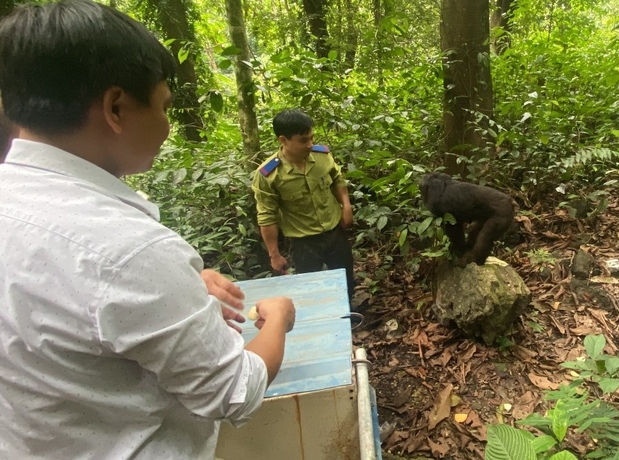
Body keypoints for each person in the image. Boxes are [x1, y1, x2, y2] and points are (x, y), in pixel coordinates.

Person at [0, 1, 295, 459]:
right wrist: (278, 317)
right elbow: (234, 391)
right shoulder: (129, 251)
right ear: (116, 108)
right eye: (163, 106)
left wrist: (181, 289)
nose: (166, 126)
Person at [252, 109, 356, 299]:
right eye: (303, 140)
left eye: (311, 138)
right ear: (283, 140)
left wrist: (346, 206)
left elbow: (337, 179)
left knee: (346, 279)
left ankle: (349, 316)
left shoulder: (322, 156)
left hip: (335, 232)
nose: (310, 145)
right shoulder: (268, 174)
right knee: (310, 290)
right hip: (303, 242)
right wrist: (274, 255)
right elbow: (267, 216)